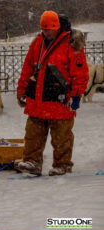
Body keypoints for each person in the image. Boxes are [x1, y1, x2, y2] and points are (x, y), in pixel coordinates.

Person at [16, 11, 89, 176]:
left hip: (61, 99)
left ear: (57, 27)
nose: (46, 32)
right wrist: (21, 90)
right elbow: (27, 67)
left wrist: (77, 94)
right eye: (43, 29)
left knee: (61, 136)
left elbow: (80, 72)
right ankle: (32, 162)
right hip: (37, 98)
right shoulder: (37, 42)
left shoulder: (72, 43)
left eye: (49, 29)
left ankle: (62, 164)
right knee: (33, 134)